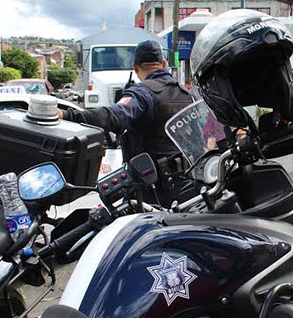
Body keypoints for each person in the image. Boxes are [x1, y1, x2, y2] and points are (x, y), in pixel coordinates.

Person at [59, 40, 194, 204]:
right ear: (164, 64)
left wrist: (66, 115)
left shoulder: (142, 93)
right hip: (188, 186)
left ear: (135, 67)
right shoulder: (187, 94)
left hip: (150, 189)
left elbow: (112, 116)